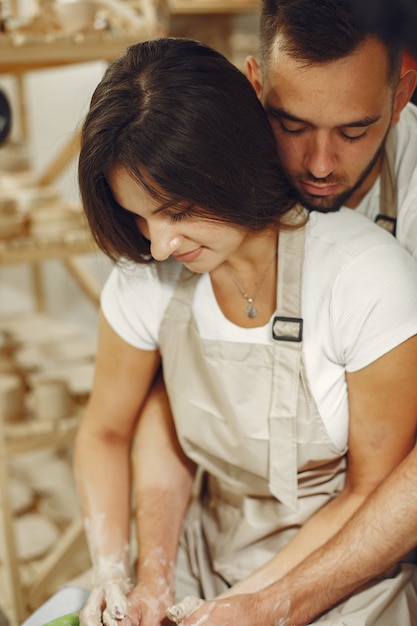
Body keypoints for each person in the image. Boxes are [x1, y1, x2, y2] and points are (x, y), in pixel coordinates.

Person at [74, 37, 417, 626]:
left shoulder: (366, 277)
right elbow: (109, 430)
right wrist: (129, 573)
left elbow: (373, 493)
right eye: (139, 215)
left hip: (338, 571)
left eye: (177, 211)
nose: (159, 245)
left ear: (230, 163)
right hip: (202, 552)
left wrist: (255, 605)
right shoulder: (149, 277)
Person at [246, 0, 417, 258]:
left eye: (353, 133)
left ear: (400, 99)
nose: (320, 167)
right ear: (256, 86)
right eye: (292, 127)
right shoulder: (224, 161)